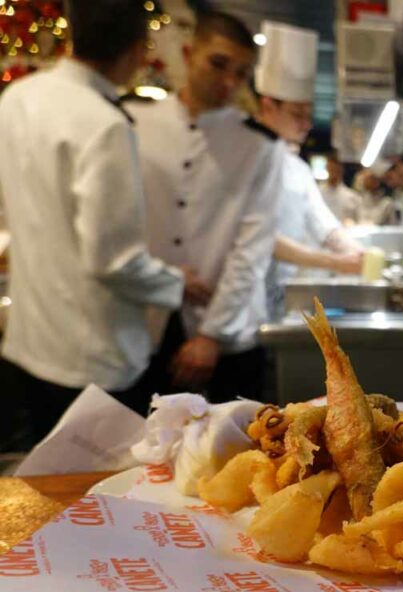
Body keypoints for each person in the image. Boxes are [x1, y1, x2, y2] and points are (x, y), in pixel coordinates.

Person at [0, 0, 184, 441]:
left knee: (45, 487)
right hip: (95, 355)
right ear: (138, 50)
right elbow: (113, 260)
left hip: (29, 339)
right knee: (99, 497)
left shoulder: (16, 97)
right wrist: (177, 285)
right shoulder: (103, 123)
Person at [128, 11, 284, 403]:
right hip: (143, 324)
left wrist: (212, 335)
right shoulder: (133, 122)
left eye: (242, 72)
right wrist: (160, 275)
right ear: (188, 52)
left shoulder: (260, 145)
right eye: (218, 64)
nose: (229, 82)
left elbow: (252, 247)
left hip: (227, 332)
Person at [252, 21, 364, 317]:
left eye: (308, 114)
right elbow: (263, 237)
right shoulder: (246, 161)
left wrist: (351, 249)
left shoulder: (298, 167)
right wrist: (333, 263)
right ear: (268, 106)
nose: (306, 123)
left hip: (284, 294)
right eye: (296, 114)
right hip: (244, 298)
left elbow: (321, 221)